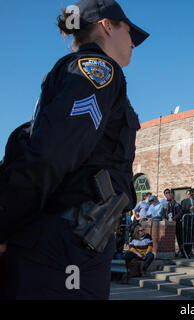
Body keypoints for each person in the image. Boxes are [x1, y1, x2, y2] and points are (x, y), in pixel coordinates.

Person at [0, 0, 149, 300]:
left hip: (68, 246)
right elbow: (52, 154)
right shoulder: (98, 71)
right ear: (107, 25)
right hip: (64, 248)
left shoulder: (85, 73)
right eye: (129, 31)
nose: (133, 41)